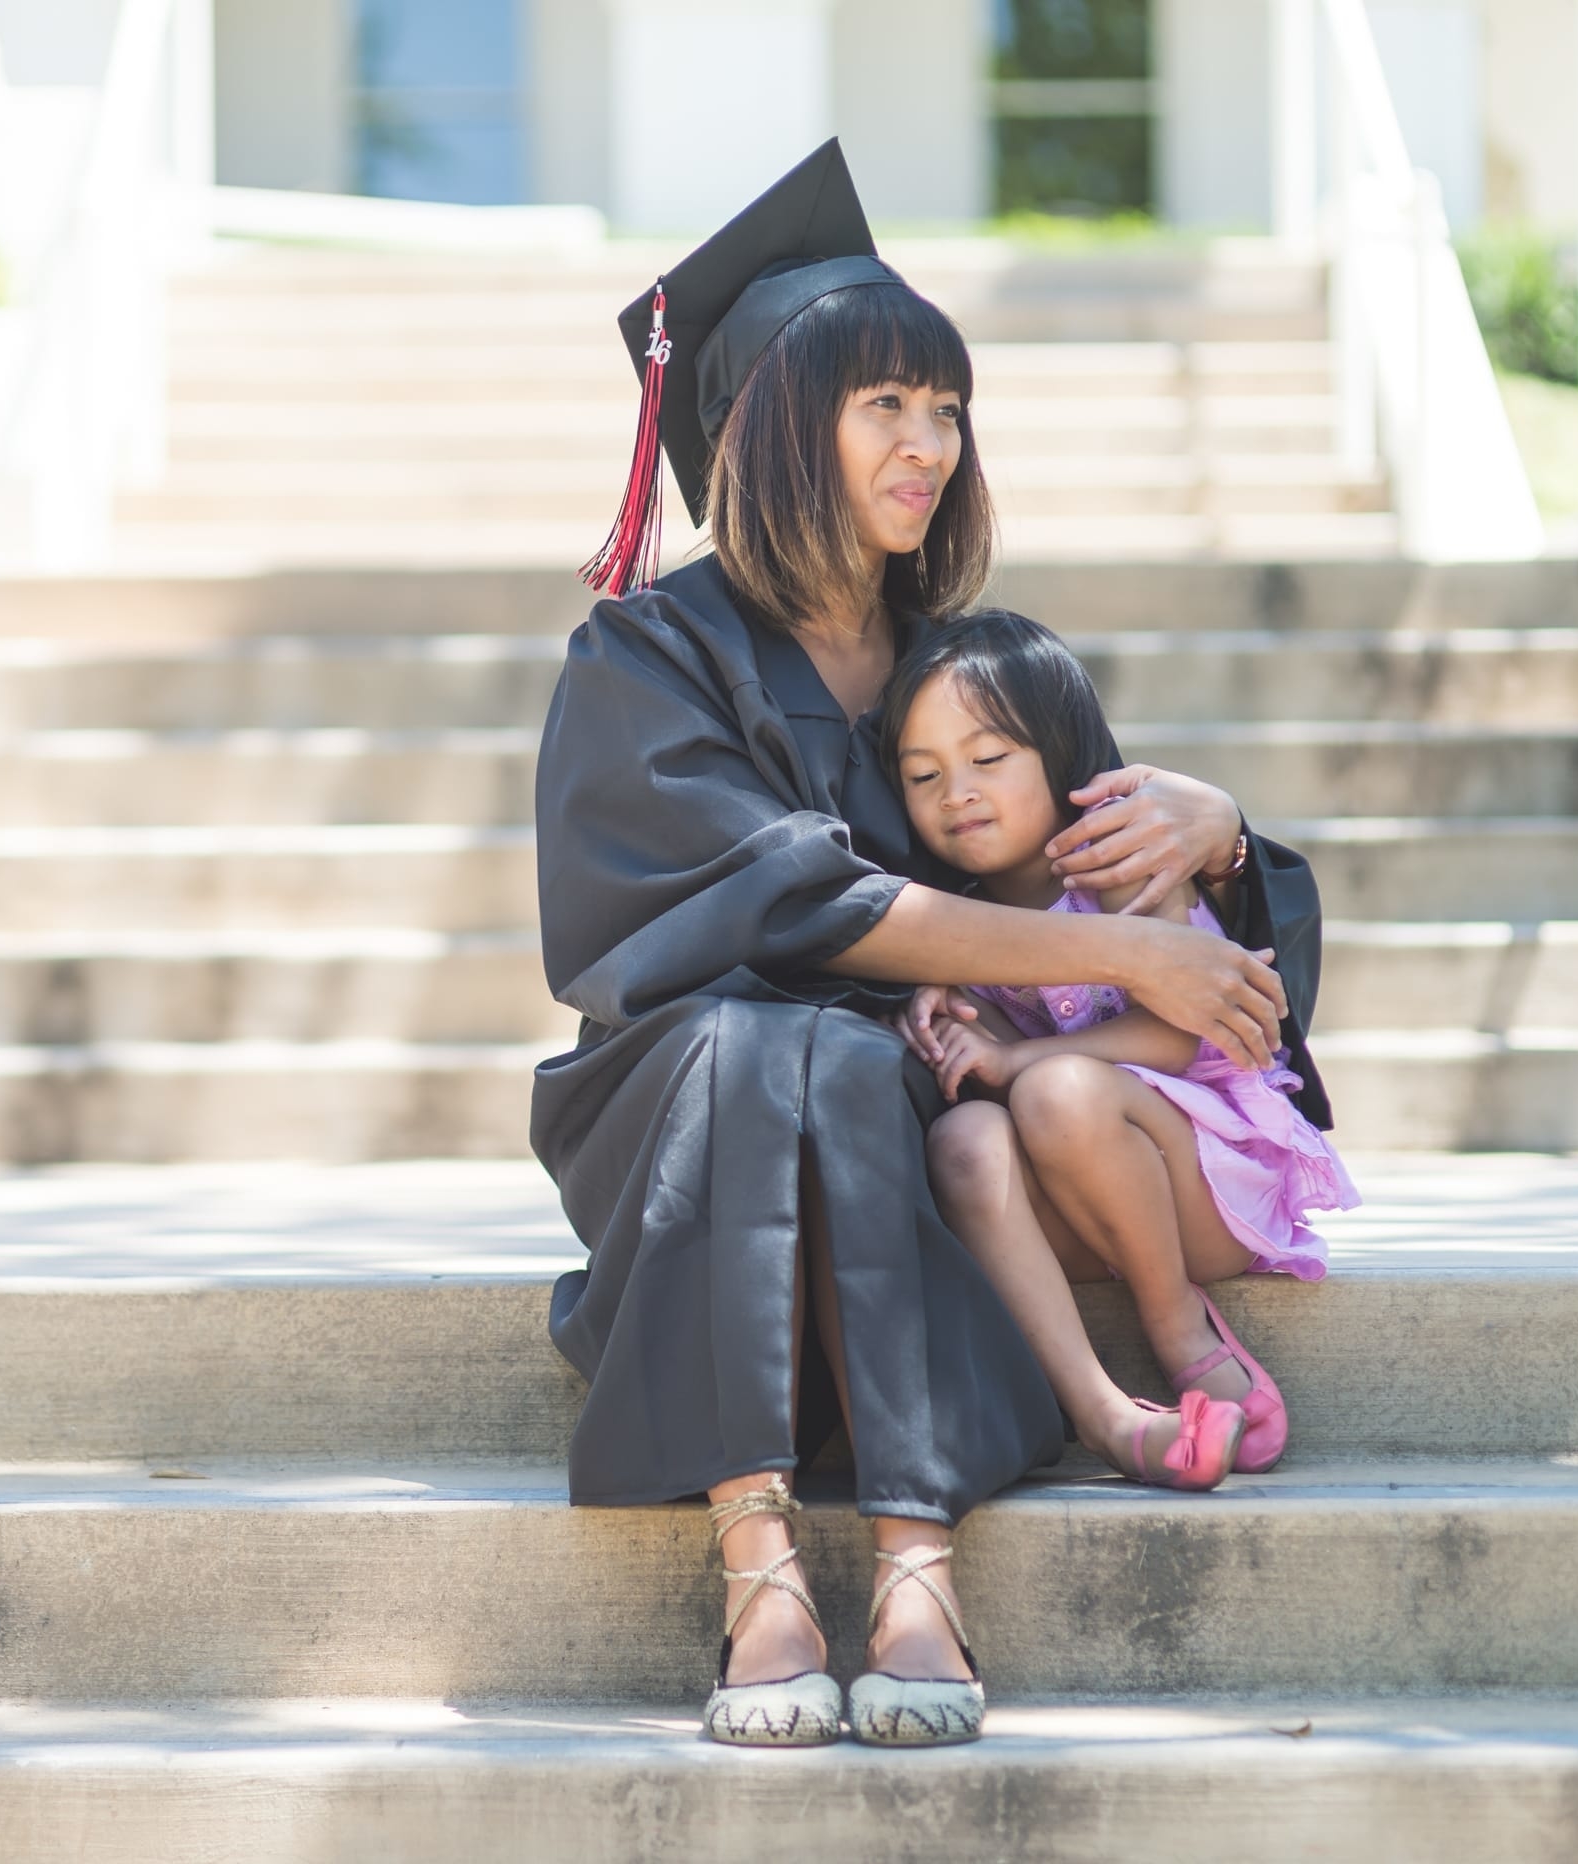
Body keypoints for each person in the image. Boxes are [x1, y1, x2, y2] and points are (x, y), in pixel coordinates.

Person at [530, 140, 1327, 1750]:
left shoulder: (949, 668)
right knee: (781, 1036)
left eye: (945, 407)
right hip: (688, 1126)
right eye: (882, 405)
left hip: (904, 1123)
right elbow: (777, 903)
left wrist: (1215, 834)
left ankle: (915, 1566)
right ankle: (762, 1557)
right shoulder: (646, 655)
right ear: (766, 426)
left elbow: (1102, 881)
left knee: (838, 1054)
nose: (928, 446)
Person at [879, 610, 1356, 1491]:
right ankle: (1097, 1404)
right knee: (962, 1144)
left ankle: (1177, 1326)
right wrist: (951, 1026)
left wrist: (1020, 1063)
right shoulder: (944, 917)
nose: (957, 793)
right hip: (1077, 1205)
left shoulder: (1125, 866)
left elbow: (1185, 1028)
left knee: (1059, 1088)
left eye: (988, 760)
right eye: (923, 774)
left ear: (1059, 752)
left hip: (1201, 1185)